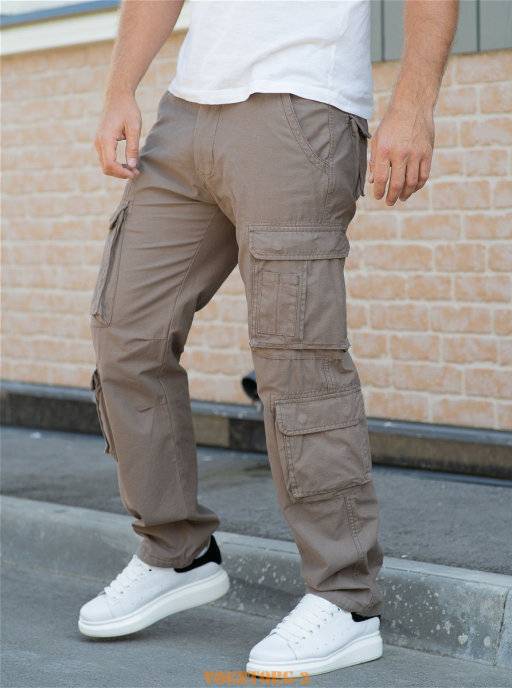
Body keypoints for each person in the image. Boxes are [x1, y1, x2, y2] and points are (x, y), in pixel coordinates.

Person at [80, 0, 458, 678]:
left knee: (297, 361)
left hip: (301, 104)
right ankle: (175, 550)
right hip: (187, 113)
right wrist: (119, 90)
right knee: (125, 332)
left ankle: (344, 599)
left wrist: (413, 104)